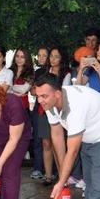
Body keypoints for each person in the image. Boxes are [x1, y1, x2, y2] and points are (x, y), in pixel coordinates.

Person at [36, 46, 71, 185]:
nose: (53, 59)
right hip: (44, 109)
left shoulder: (66, 73)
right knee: (46, 142)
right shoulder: (43, 71)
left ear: (62, 58)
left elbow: (64, 91)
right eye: (51, 56)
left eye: (56, 56)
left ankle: (62, 173)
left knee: (59, 142)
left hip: (60, 108)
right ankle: (48, 175)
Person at [28, 46, 49, 180]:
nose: (41, 58)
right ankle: (37, 168)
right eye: (39, 55)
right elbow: (32, 91)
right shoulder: (38, 72)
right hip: (38, 108)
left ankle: (50, 170)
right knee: (37, 139)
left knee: (49, 141)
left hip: (50, 109)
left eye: (44, 55)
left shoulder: (52, 72)